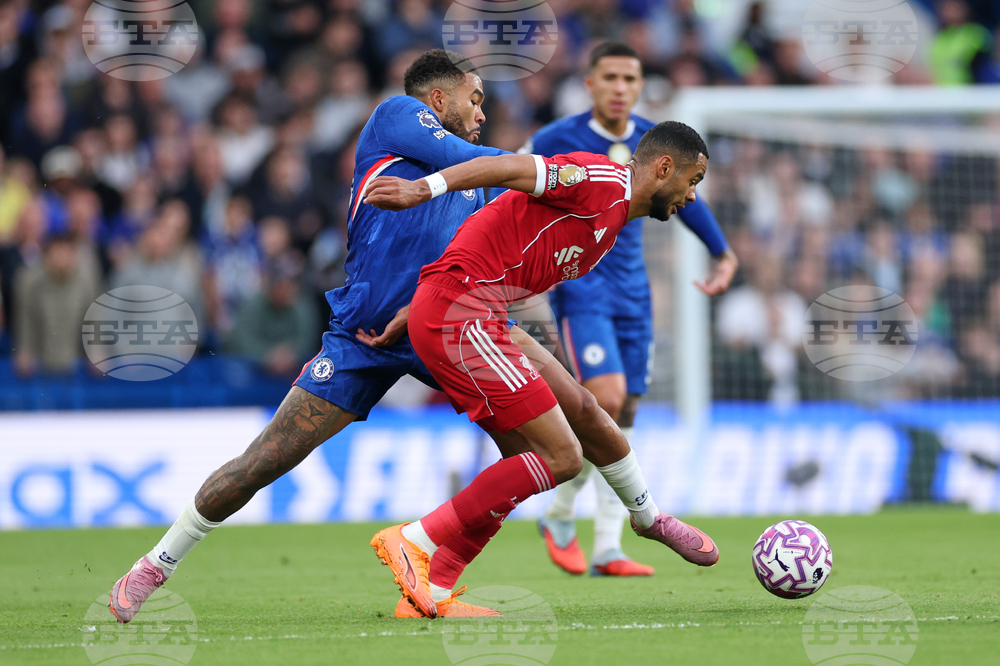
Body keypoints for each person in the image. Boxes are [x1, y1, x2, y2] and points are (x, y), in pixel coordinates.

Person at [106, 49, 649, 623]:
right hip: (361, 337)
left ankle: (435, 578)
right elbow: (465, 158)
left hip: (449, 325)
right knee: (262, 462)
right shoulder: (398, 116)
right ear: (438, 99)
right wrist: (529, 166)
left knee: (544, 451)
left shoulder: (477, 185)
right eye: (475, 98)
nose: (482, 112)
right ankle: (155, 564)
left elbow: (482, 257)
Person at [362, 120, 722, 619]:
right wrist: (424, 189)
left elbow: (499, 229)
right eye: (692, 181)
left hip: (474, 309)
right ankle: (413, 539)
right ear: (665, 168)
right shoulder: (599, 180)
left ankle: (646, 519)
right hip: (463, 311)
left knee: (584, 410)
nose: (691, 195)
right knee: (562, 458)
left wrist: (423, 299)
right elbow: (506, 167)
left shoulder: (612, 221)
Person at [524, 43, 737, 577]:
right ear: (590, 84)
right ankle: (559, 512)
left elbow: (689, 198)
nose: (621, 87)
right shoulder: (556, 139)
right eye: (610, 77)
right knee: (607, 396)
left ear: (640, 87)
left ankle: (606, 547)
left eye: (630, 78)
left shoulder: (654, 142)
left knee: (627, 413)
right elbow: (514, 179)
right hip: (582, 286)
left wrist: (722, 250)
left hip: (633, 292)